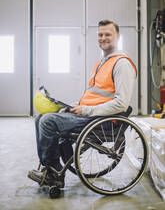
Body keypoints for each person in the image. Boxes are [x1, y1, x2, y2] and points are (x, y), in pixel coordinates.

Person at [28, 19, 137, 188]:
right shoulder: (102, 62)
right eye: (100, 34)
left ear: (117, 37)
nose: (103, 38)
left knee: (48, 121)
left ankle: (53, 173)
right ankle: (48, 167)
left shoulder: (122, 64)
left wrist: (85, 110)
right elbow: (95, 94)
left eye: (108, 34)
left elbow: (121, 104)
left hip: (102, 119)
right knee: (40, 118)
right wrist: (73, 106)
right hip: (90, 113)